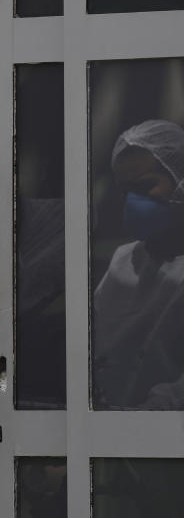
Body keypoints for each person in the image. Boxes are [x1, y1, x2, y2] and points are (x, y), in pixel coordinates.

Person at [93, 119, 184, 409]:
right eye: (125, 191)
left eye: (145, 186)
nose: (133, 201)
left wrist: (158, 407)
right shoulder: (124, 260)